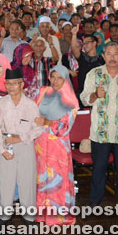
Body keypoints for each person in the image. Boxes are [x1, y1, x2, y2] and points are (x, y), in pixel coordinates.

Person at [80, 41, 118, 206]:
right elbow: (84, 98)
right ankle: (95, 201)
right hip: (101, 130)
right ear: (103, 55)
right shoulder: (94, 74)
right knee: (99, 168)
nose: (112, 57)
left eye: (116, 54)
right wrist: (95, 95)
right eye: (109, 54)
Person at [0, 68, 43, 224]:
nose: (11, 87)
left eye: (14, 83)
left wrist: (20, 138)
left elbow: (38, 129)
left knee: (27, 181)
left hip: (25, 145)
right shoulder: (1, 103)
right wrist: (1, 149)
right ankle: (4, 215)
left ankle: (28, 216)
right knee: (5, 180)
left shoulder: (30, 105)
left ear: (22, 85)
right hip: (7, 145)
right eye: (8, 83)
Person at [34, 65, 79, 225]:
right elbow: (32, 112)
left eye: (60, 77)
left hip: (58, 147)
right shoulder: (42, 92)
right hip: (40, 144)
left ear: (66, 79)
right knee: (42, 179)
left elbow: (65, 127)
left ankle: (59, 217)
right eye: (53, 76)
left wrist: (47, 122)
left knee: (57, 181)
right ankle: (42, 215)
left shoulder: (71, 100)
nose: (55, 81)